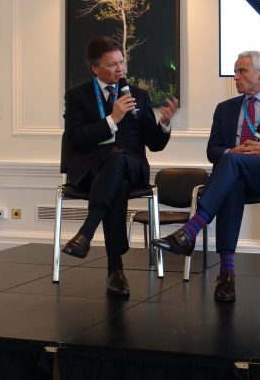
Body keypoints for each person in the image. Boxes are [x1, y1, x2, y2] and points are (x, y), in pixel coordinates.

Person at [152, 51, 260, 302]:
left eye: (241, 71)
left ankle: (190, 230)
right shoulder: (225, 109)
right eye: (235, 71)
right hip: (234, 174)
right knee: (231, 178)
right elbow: (213, 151)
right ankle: (226, 276)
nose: (235, 77)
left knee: (231, 166)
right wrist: (230, 152)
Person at [61, 36, 179, 296]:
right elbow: (77, 138)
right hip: (91, 170)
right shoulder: (78, 96)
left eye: (122, 62)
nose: (120, 69)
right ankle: (115, 269)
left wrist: (165, 123)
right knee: (115, 175)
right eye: (112, 64)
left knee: (118, 162)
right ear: (95, 68)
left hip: (133, 166)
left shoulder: (138, 95)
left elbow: (155, 144)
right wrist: (113, 118)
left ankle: (86, 234)